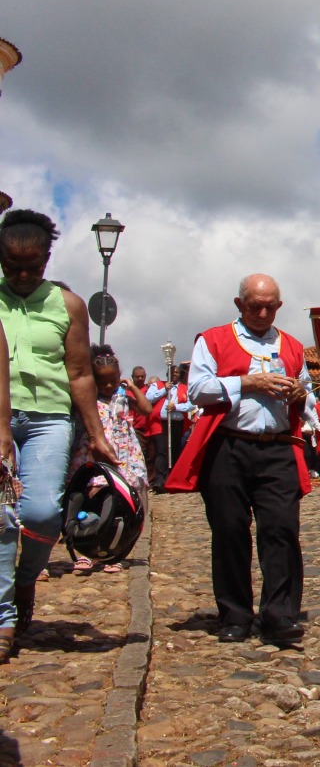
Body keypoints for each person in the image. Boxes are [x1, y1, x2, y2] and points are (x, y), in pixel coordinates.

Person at [168, 273, 314, 644]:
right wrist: (247, 382)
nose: (262, 314)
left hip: (278, 447)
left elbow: (309, 398)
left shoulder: (293, 347)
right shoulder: (213, 340)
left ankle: (280, 614)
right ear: (239, 304)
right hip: (228, 446)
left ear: (279, 306)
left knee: (281, 529)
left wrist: (301, 394)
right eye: (254, 306)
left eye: (270, 307)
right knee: (230, 530)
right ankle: (234, 614)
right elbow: (198, 390)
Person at [0, 209, 118, 658]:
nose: (23, 275)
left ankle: (25, 580)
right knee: (1, 517)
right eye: (12, 266)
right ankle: (4, 615)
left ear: (47, 260)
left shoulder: (67, 306)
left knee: (42, 514)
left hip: (48, 418)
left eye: (32, 266)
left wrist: (96, 433)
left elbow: (80, 374)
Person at [68, 345, 151, 575]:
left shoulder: (122, 398)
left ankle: (116, 551)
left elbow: (146, 409)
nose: (107, 386)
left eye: (112, 380)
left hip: (124, 456)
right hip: (95, 453)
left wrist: (132, 388)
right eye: (102, 382)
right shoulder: (89, 400)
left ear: (119, 376)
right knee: (91, 499)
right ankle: (86, 549)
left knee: (121, 503)